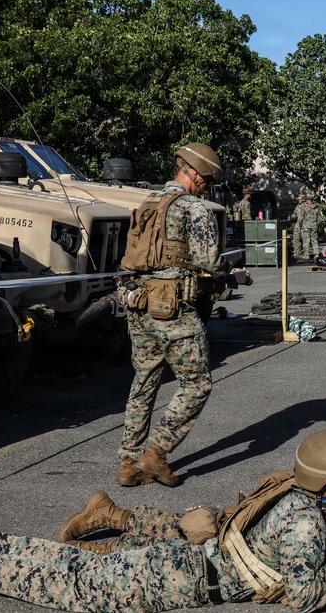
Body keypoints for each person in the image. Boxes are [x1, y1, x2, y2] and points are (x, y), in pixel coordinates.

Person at [0, 430, 326, 612]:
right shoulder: (306, 524)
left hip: (183, 562)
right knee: (63, 587)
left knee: (67, 566)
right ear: (325, 480)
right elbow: (304, 599)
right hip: (176, 579)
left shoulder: (293, 489)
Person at [54, 426, 326, 555]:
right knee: (203, 539)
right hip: (282, 519)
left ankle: (110, 514)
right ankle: (95, 548)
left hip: (294, 523)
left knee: (200, 529)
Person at [117, 142, 225, 488]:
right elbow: (209, 261)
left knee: (144, 381)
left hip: (139, 304)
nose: (207, 187)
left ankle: (128, 463)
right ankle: (156, 453)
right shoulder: (194, 208)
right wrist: (228, 270)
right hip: (173, 308)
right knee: (196, 384)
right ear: (195, 174)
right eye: (207, 181)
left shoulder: (148, 202)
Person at [299, 193, 321, 260]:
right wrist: (318, 225)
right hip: (314, 225)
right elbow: (319, 218)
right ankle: (316, 254)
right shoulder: (317, 207)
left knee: (306, 240)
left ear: (308, 200)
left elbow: (301, 218)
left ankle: (307, 254)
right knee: (314, 239)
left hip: (306, 226)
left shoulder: (304, 207)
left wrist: (300, 225)